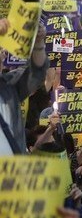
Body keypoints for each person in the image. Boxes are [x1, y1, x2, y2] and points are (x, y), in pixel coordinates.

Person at [0, 20, 48, 154]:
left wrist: (38, 42)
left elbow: (37, 72)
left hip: (13, 171)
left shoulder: (9, 86)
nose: (2, 54)